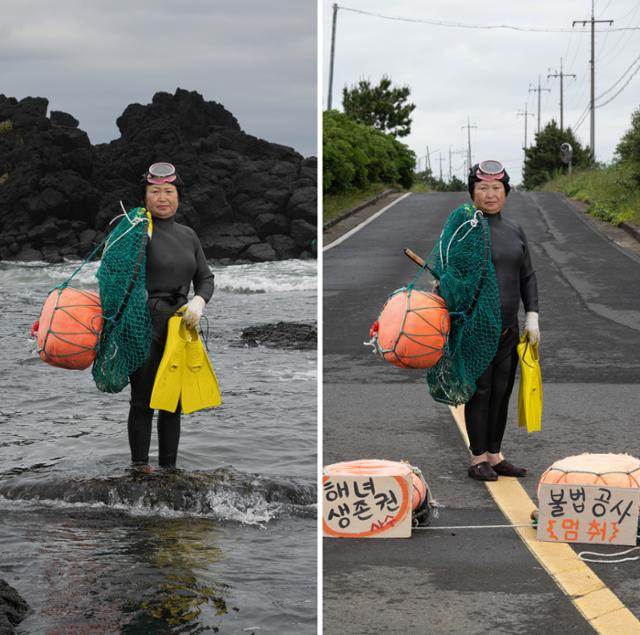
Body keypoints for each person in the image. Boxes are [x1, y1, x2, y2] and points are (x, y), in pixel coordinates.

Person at [127, 162, 214, 471]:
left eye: (168, 191)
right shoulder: (135, 232)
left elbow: (206, 278)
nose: (162, 198)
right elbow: (117, 278)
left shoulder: (188, 235)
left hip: (179, 323)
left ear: (179, 196)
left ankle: (169, 470)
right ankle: (139, 468)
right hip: (142, 321)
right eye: (154, 192)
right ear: (144, 197)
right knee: (143, 399)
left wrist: (199, 302)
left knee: (172, 402)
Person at [463, 160, 539, 481]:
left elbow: (527, 275)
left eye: (497, 188)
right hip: (476, 327)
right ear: (473, 193)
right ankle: (477, 457)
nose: (490, 194)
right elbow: (453, 276)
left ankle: (495, 455)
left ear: (506, 193)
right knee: (480, 391)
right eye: (483, 188)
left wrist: (532, 316)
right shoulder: (463, 230)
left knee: (502, 389)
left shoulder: (514, 230)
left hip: (508, 328)